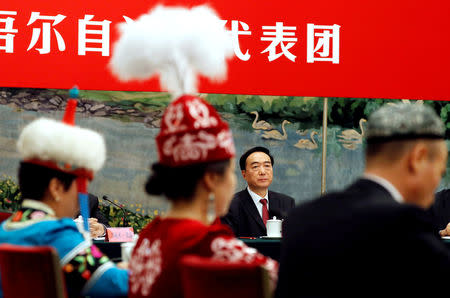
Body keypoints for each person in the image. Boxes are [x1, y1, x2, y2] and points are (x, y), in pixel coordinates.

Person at [275, 103, 450, 298]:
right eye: (440, 171)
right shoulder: (407, 225)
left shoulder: (302, 217)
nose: (437, 181)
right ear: (418, 157)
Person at [128, 95, 278, 298]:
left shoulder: (147, 236)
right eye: (231, 172)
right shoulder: (208, 243)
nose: (233, 182)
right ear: (211, 179)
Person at [0, 100, 128, 297]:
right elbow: (118, 285)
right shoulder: (57, 233)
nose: (80, 198)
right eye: (78, 188)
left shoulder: (6, 228)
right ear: (56, 188)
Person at [221, 146, 295, 237]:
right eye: (255, 167)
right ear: (244, 174)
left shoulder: (287, 203)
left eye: (267, 166)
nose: (263, 172)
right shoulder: (231, 205)